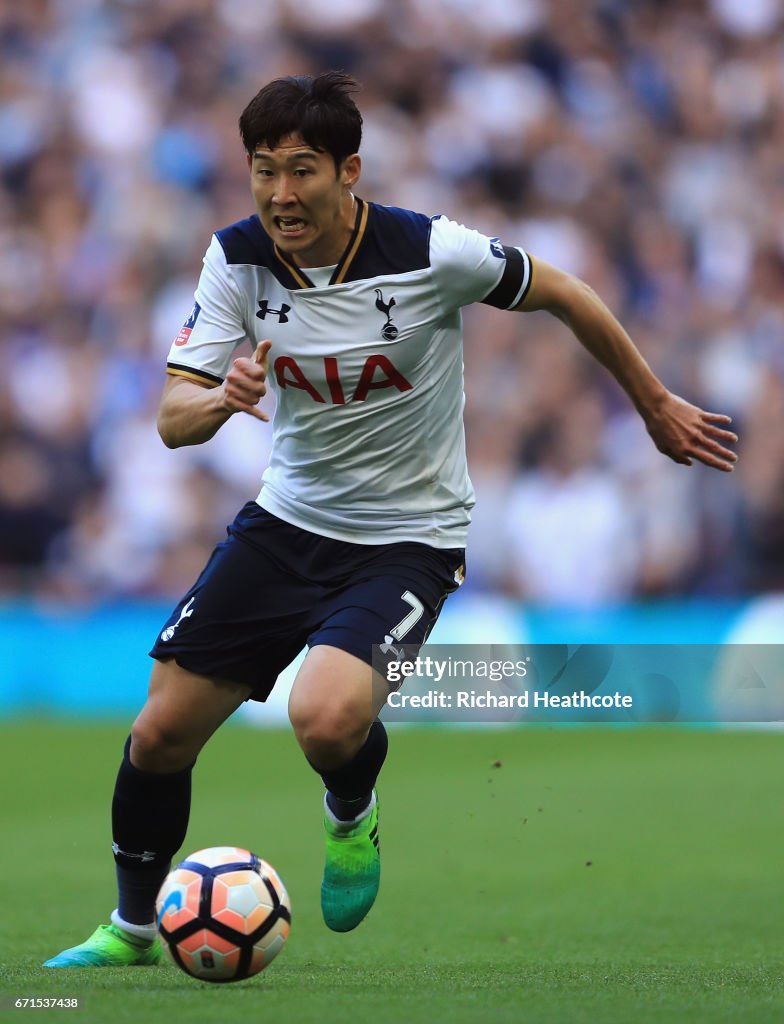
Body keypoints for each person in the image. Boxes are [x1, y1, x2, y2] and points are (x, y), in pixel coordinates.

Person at [44, 71, 737, 967]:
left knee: (325, 719)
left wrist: (651, 404)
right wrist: (222, 398)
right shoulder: (236, 260)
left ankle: (350, 812)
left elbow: (563, 289)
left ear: (350, 171)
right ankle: (133, 929)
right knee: (159, 732)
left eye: (302, 170)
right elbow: (173, 418)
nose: (281, 194)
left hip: (408, 539)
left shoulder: (430, 251)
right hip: (287, 521)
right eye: (263, 170)